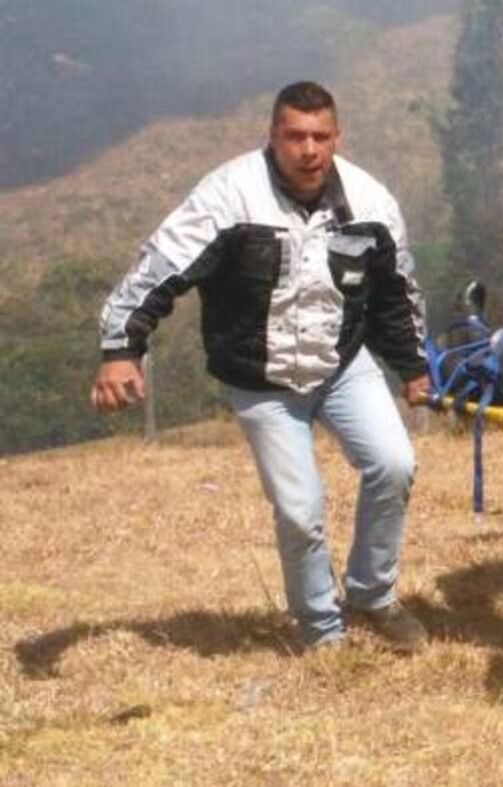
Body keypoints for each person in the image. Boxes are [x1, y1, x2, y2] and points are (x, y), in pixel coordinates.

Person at [90, 81, 430, 653]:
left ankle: (373, 596)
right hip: (261, 379)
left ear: (336, 138)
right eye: (295, 136)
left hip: (343, 365)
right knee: (301, 512)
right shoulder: (229, 197)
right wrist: (121, 348)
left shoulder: (370, 204)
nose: (309, 150)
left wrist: (413, 365)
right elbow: (162, 267)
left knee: (394, 465)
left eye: (320, 136)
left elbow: (395, 293)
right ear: (273, 137)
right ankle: (322, 631)